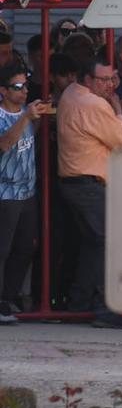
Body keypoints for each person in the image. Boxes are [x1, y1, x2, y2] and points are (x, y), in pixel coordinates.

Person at [58, 57, 122, 329]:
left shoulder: (70, 93)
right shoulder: (93, 103)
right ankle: (105, 309)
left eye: (112, 79)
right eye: (103, 80)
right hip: (88, 184)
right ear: (87, 80)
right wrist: (118, 111)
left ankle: (78, 305)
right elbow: (121, 141)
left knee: (94, 244)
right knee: (108, 243)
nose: (110, 85)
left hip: (76, 182)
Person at [0, 66, 51, 324]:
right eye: (17, 87)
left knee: (25, 248)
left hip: (27, 192)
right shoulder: (3, 116)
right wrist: (25, 118)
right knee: (3, 249)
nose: (24, 91)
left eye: (25, 86)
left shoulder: (26, 114)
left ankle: (6, 299)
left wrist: (37, 116)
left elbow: (31, 140)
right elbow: (5, 144)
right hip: (5, 193)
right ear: (3, 91)